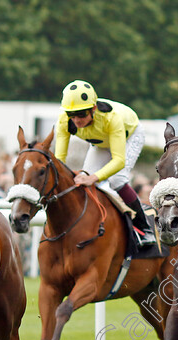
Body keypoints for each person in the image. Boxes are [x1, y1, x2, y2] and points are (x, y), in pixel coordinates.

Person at [54, 80, 155, 246]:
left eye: (81, 114)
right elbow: (59, 160)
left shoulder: (111, 118)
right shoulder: (64, 120)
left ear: (93, 109)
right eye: (72, 115)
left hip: (130, 135)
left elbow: (119, 160)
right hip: (101, 144)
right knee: (83, 182)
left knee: (117, 180)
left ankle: (145, 228)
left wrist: (94, 177)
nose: (76, 120)